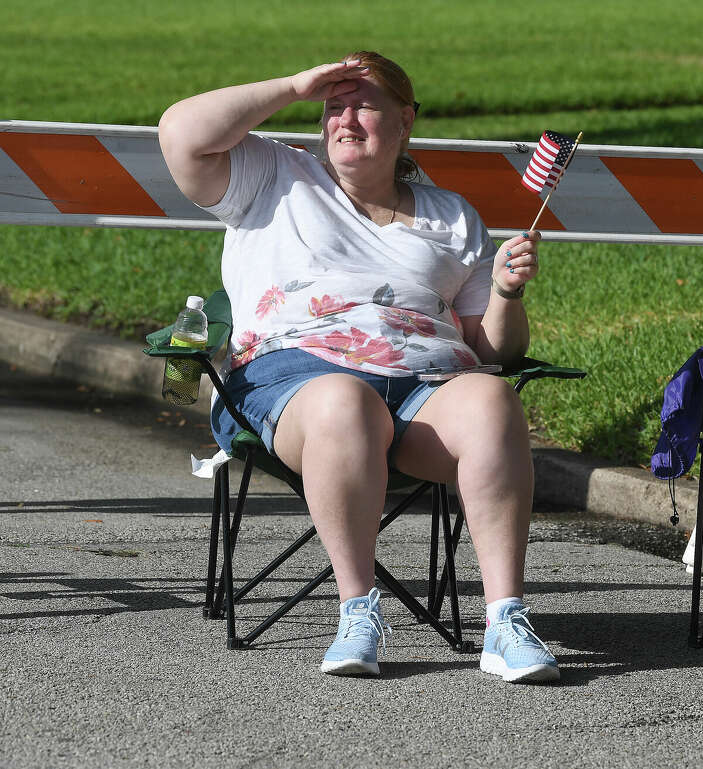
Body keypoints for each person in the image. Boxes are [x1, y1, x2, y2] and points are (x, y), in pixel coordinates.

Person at [158, 51, 559, 682]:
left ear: (404, 121)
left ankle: (505, 620)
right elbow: (180, 133)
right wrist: (293, 86)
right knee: (347, 401)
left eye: (363, 104)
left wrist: (507, 293)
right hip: (294, 380)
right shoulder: (272, 177)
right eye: (333, 106)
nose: (345, 119)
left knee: (492, 400)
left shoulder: (452, 216)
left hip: (426, 385)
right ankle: (356, 611)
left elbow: (493, 352)